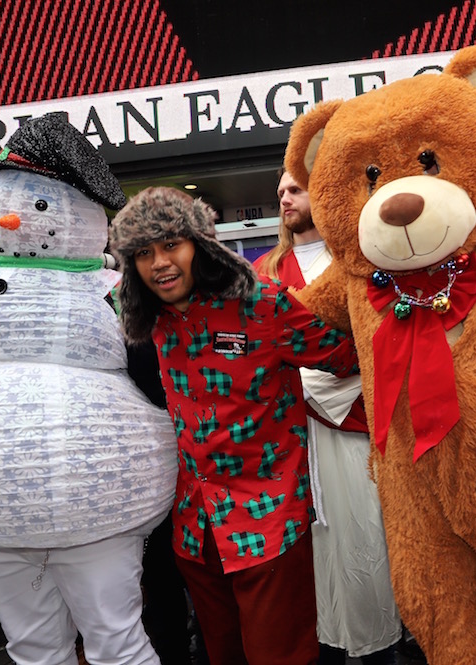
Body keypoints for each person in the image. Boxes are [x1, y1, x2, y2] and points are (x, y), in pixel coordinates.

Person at [108, 186, 360, 665]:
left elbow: (345, 358)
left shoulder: (262, 303)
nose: (159, 262)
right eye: (143, 252)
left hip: (267, 519)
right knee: (221, 653)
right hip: (195, 526)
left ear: (200, 245)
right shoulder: (153, 321)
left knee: (280, 656)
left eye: (170, 244)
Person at [255, 170, 400, 664]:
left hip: (353, 427)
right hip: (289, 439)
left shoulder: (360, 263)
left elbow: (384, 342)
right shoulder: (264, 271)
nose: (285, 198)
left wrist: (311, 386)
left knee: (366, 545)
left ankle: (385, 649)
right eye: (281, 192)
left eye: (296, 189)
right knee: (311, 561)